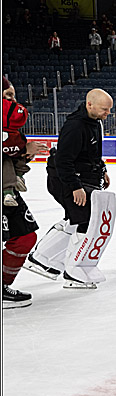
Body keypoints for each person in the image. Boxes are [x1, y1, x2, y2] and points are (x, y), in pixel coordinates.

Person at [26, 89, 115, 289]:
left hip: (83, 177)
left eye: (109, 110)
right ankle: (74, 271)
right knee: (85, 218)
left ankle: (42, 259)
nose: (107, 114)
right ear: (89, 104)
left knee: (76, 218)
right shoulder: (75, 126)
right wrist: (75, 187)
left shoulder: (95, 122)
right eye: (104, 109)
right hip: (64, 179)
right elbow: (63, 161)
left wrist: (103, 171)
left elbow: (93, 153)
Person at [2, 79, 41, 307]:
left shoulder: (11, 131)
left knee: (25, 237)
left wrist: (24, 155)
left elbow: (13, 163)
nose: (13, 100)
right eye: (8, 95)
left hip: (7, 191)